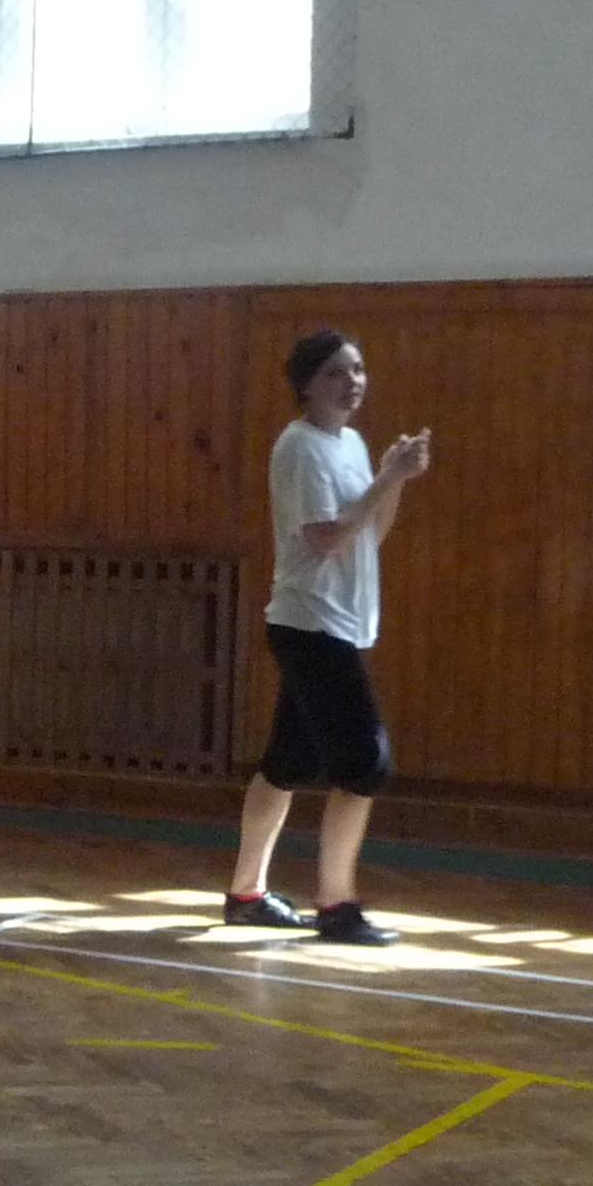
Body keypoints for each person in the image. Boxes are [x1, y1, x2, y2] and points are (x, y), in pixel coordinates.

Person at [221, 329, 430, 947]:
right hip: (310, 625)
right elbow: (326, 538)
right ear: (307, 384)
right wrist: (384, 479)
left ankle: (246, 894)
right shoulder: (300, 448)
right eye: (337, 372)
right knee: (366, 764)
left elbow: (368, 535)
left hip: (337, 622)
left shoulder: (352, 445)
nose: (352, 382)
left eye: (358, 370)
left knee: (289, 762)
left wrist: (393, 480)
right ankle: (337, 906)